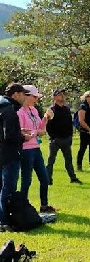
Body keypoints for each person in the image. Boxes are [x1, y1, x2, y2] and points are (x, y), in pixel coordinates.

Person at [17, 85, 56, 213]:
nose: (36, 99)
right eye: (34, 97)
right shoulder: (19, 112)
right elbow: (22, 133)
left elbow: (42, 129)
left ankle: (44, 206)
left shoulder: (33, 110)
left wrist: (45, 118)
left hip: (36, 148)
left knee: (44, 178)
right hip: (25, 150)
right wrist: (36, 132)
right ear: (26, 96)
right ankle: (23, 206)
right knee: (26, 180)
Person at [0, 83, 29, 230]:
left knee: (1, 188)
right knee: (8, 188)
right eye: (24, 94)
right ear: (16, 94)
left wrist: (18, 130)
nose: (25, 98)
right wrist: (23, 137)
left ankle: (2, 219)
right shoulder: (10, 110)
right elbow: (9, 136)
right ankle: (4, 221)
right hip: (9, 154)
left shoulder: (2, 106)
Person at [45, 89, 82, 185]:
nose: (63, 96)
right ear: (54, 97)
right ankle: (48, 179)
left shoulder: (67, 109)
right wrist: (53, 138)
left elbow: (70, 124)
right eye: (60, 94)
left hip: (66, 139)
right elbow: (47, 126)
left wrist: (70, 136)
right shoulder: (50, 110)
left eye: (63, 95)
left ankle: (73, 178)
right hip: (55, 140)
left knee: (69, 161)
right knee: (50, 161)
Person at [76, 90, 90, 172]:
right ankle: (79, 165)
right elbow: (81, 120)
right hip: (85, 131)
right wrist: (89, 129)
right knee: (83, 148)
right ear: (87, 97)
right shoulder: (83, 106)